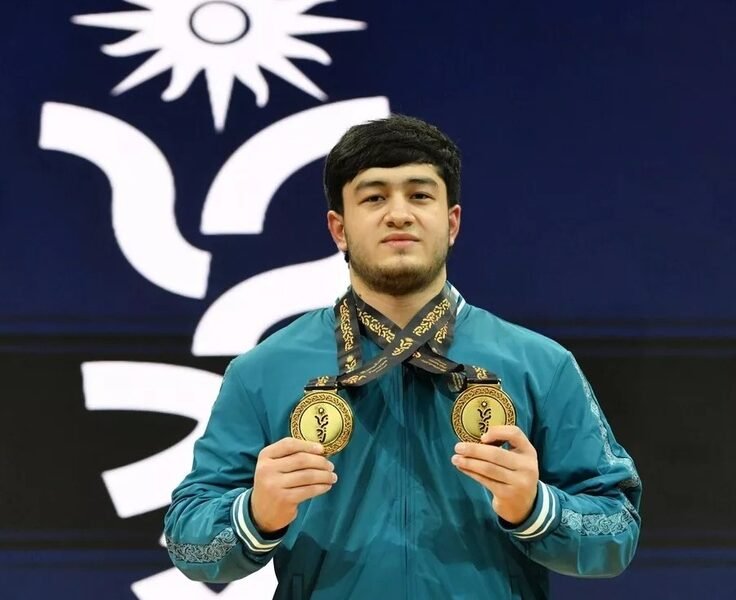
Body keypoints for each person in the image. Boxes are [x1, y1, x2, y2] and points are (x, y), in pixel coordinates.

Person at [164, 115, 642, 599]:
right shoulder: (265, 371)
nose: (398, 214)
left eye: (419, 195)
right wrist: (255, 514)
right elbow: (187, 543)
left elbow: (618, 530)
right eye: (374, 198)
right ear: (339, 229)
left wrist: (536, 508)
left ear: (452, 223)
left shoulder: (540, 365)